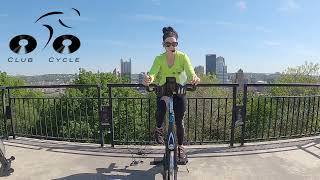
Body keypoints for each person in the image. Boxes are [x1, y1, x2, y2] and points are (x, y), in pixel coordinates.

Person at [143, 26, 200, 159]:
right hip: (164, 89)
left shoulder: (183, 57)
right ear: (163, 45)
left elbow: (190, 71)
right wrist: (148, 79)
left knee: (179, 121)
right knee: (161, 110)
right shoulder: (159, 59)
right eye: (168, 44)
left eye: (174, 43)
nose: (171, 46)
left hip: (179, 89)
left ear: (177, 44)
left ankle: (180, 147)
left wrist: (194, 78)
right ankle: (158, 129)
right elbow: (153, 72)